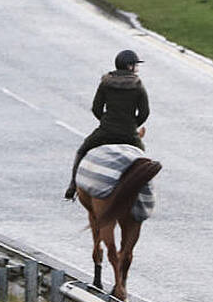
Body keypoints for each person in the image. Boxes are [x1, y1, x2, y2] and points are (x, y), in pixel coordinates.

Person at [64, 50, 150, 200]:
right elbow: (145, 112)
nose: (137, 68)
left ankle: (72, 187)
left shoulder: (105, 83)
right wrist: (132, 125)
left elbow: (96, 108)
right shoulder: (138, 86)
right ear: (129, 66)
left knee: (82, 150)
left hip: (106, 132)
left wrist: (106, 122)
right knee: (143, 158)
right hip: (129, 134)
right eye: (136, 65)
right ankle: (144, 197)